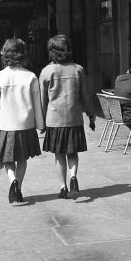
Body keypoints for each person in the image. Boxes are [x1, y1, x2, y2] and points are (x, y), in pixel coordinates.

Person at [40, 35, 95, 199]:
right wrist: (91, 115)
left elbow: (42, 101)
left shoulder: (47, 71)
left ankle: (63, 187)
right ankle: (73, 177)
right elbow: (85, 96)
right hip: (74, 118)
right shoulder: (78, 69)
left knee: (59, 155)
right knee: (72, 153)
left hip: (54, 120)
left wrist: (40, 122)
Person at [0, 38, 44, 203]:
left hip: (6, 125)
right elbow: (36, 103)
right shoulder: (31, 77)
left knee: (7, 159)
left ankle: (12, 179)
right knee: (22, 159)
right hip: (26, 125)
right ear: (23, 54)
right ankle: (18, 188)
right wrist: (40, 124)